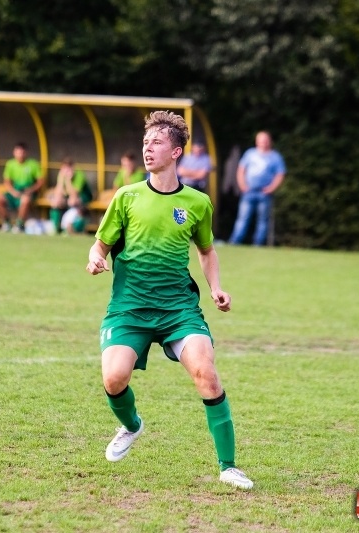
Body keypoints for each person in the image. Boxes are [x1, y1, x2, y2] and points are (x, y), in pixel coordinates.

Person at [85, 110, 253, 490]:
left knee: (206, 375)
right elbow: (101, 244)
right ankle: (132, 425)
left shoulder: (197, 203)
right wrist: (95, 258)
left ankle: (228, 466)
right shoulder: (127, 197)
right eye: (145, 142)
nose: (148, 148)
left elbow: (207, 251)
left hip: (178, 309)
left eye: (156, 142)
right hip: (129, 308)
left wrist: (215, 288)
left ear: (176, 151)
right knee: (113, 378)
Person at [229, 131, 286, 246]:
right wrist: (242, 185)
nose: (263, 143)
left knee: (263, 221)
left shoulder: (275, 157)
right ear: (257, 141)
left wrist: (271, 188)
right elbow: (241, 170)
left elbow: (280, 174)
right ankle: (234, 242)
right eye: (260, 140)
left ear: (269, 141)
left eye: (265, 140)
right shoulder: (250, 154)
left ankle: (258, 244)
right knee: (243, 218)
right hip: (248, 191)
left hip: (264, 193)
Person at [0, 142, 45, 233]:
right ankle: (6, 223)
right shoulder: (10, 164)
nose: (20, 155)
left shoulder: (33, 164)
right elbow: (7, 182)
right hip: (15, 190)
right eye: (18, 152)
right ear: (14, 152)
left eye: (22, 152)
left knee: (25, 200)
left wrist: (31, 190)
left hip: (28, 191)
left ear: (26, 153)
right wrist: (13, 192)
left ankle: (20, 225)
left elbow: (41, 182)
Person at [47, 158, 92, 234]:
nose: (66, 171)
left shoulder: (79, 175)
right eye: (64, 168)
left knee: (72, 201)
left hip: (84, 197)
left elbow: (74, 193)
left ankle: (73, 228)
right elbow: (57, 192)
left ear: (73, 168)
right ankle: (56, 228)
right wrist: (61, 180)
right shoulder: (61, 175)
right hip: (69, 198)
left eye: (68, 168)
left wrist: (68, 180)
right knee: (56, 201)